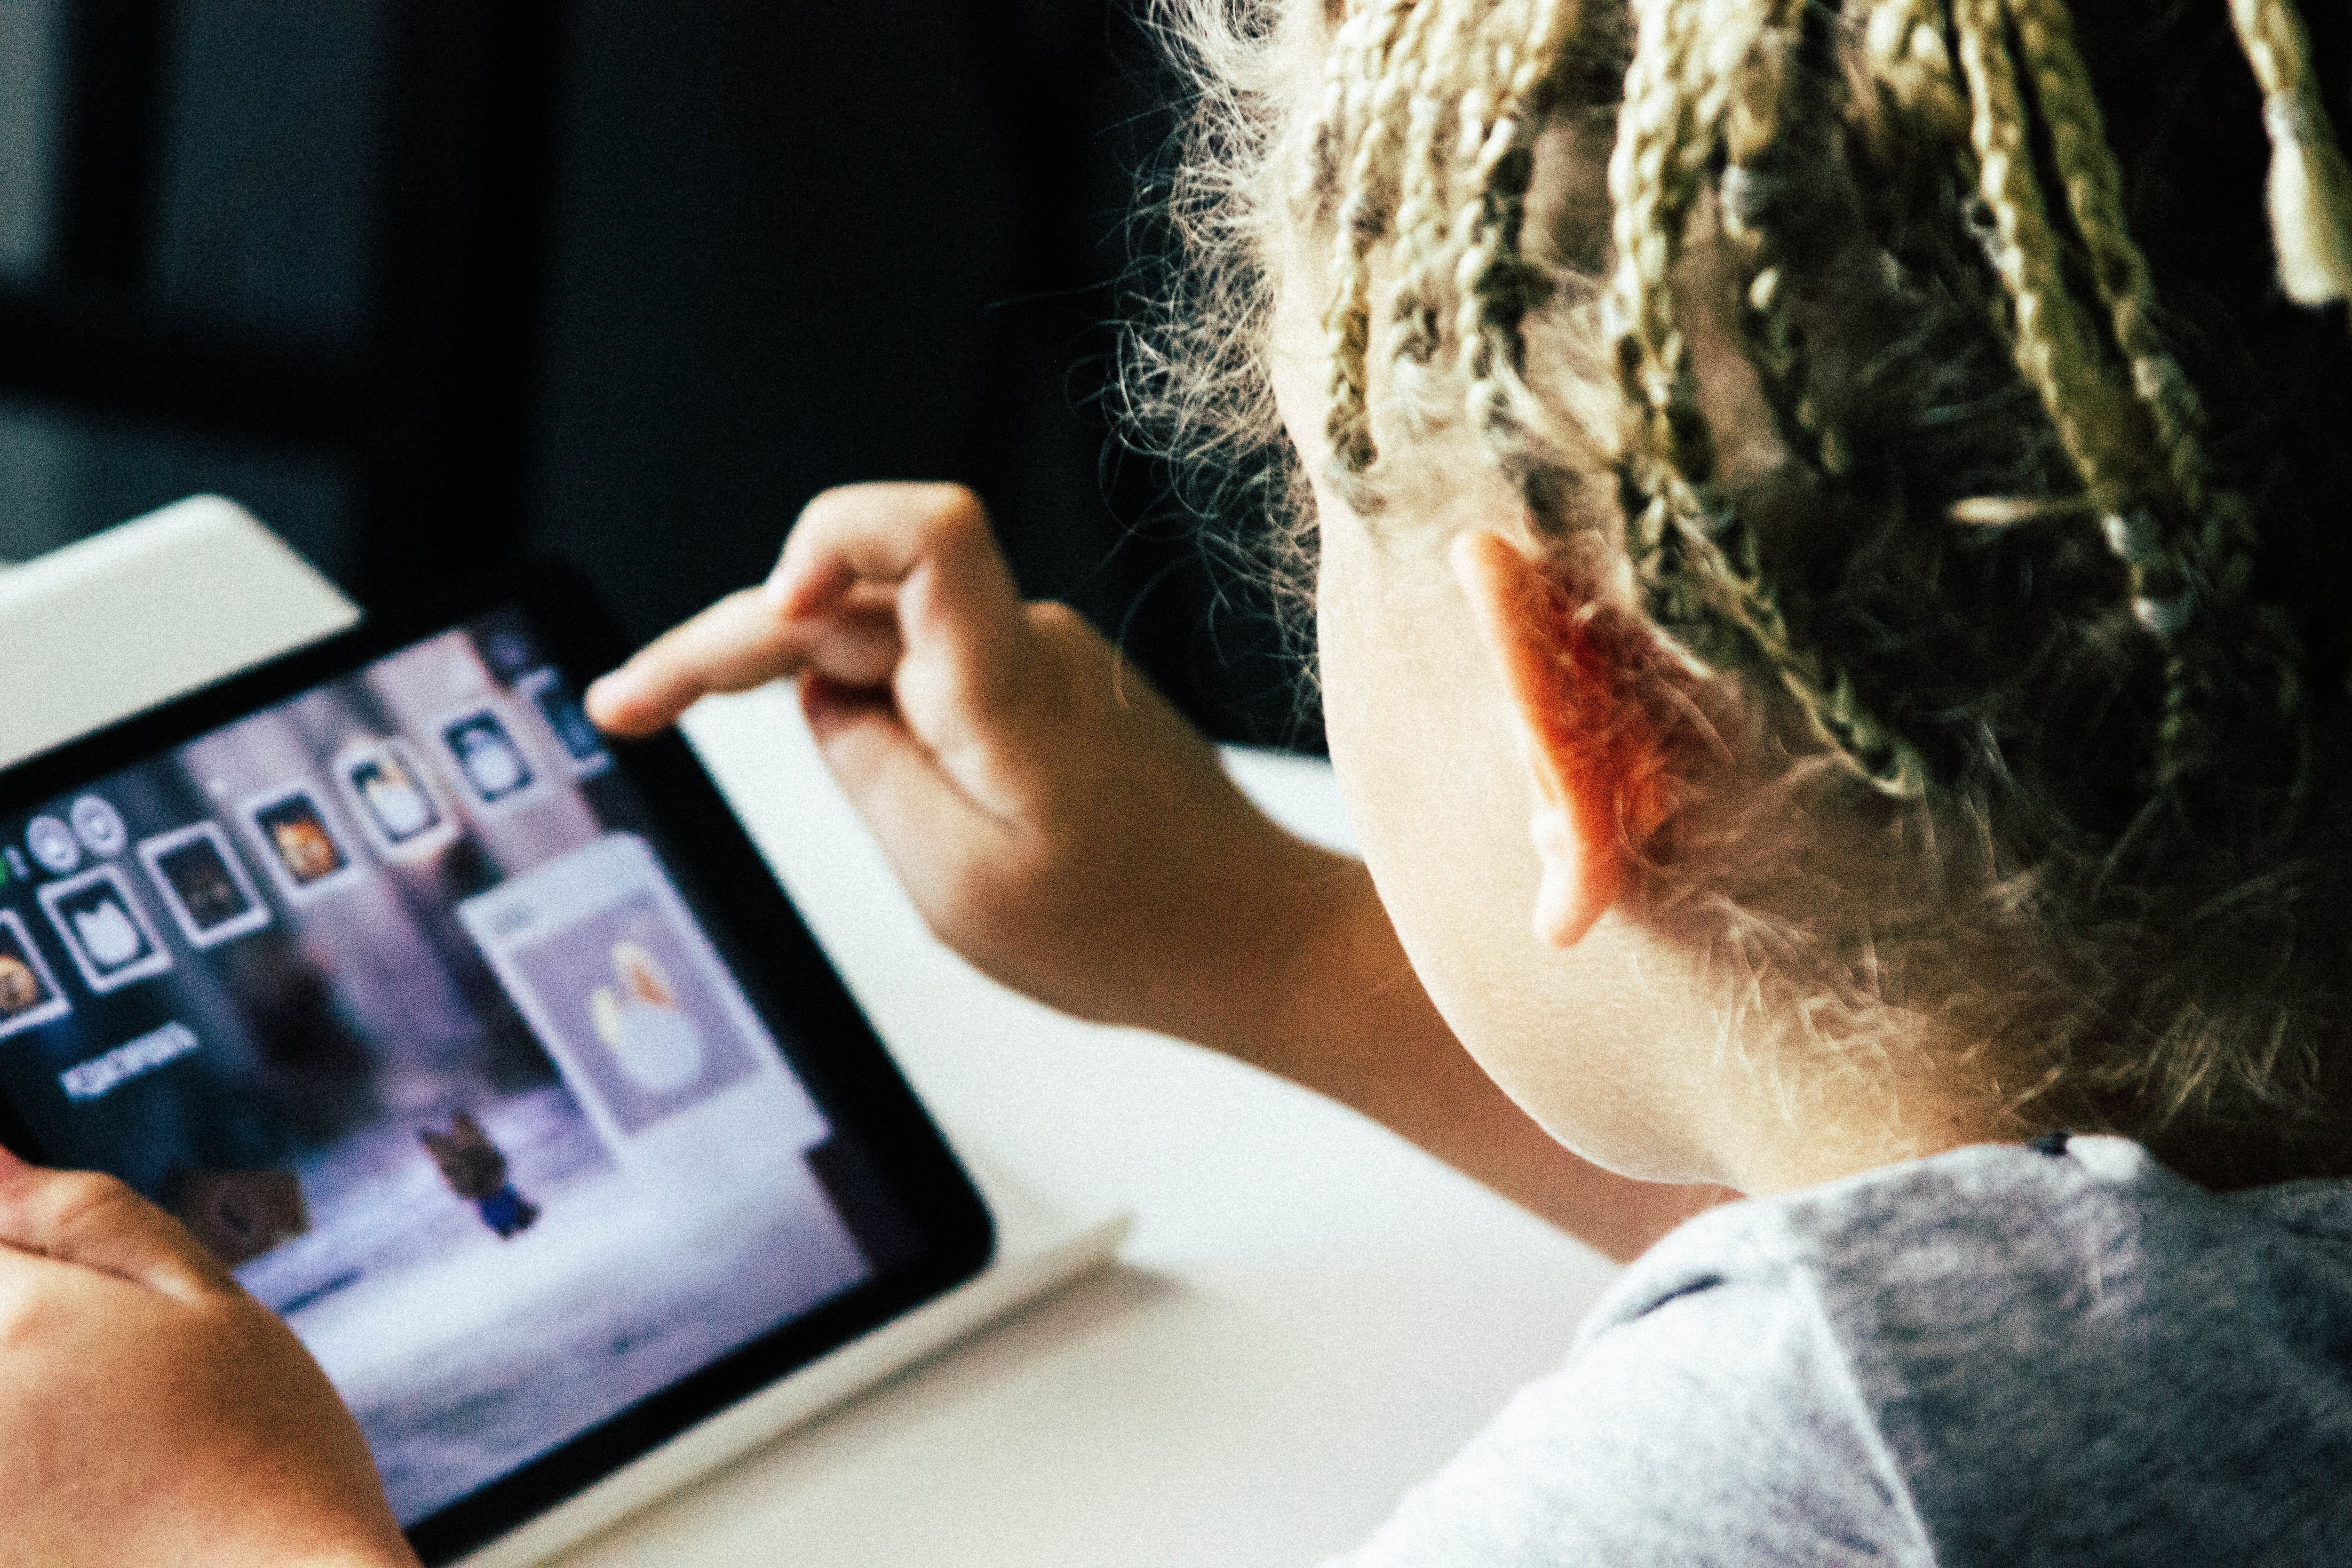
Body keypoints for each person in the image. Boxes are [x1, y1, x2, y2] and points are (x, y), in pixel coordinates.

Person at [2, 0, 2348, 1561]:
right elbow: (2038, 1287)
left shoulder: (1757, 1499)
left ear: (1581, 718)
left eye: (1323, 508)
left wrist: (232, 1536)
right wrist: (1261, 939)